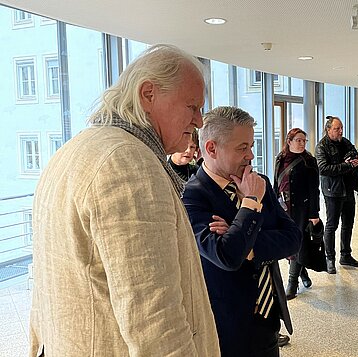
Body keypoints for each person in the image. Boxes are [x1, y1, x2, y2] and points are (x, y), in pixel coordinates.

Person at [29, 44, 220, 356]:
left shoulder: (75, 148)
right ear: (148, 94)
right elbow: (155, 320)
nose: (199, 121)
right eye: (192, 107)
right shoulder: (129, 163)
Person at [183, 106, 301, 357]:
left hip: (268, 317)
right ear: (212, 148)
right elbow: (226, 256)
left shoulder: (260, 183)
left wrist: (246, 244)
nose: (251, 155)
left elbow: (293, 239)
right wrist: (250, 203)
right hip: (226, 325)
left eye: (251, 146)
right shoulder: (192, 195)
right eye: (242, 147)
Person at [274, 128, 320, 299]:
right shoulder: (280, 158)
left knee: (298, 244)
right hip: (283, 208)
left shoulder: (309, 161)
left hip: (302, 210)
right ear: (289, 141)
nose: (302, 143)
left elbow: (314, 189)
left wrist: (314, 213)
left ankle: (292, 283)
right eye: (298, 140)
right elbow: (275, 184)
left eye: (304, 141)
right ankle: (303, 273)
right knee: (287, 243)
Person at [316, 116, 358, 274]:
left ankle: (346, 256)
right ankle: (329, 259)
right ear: (328, 130)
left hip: (348, 189)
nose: (340, 131)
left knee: (348, 224)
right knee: (331, 226)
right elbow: (324, 169)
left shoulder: (345, 142)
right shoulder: (321, 146)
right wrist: (347, 165)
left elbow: (353, 157)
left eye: (341, 128)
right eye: (337, 129)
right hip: (332, 191)